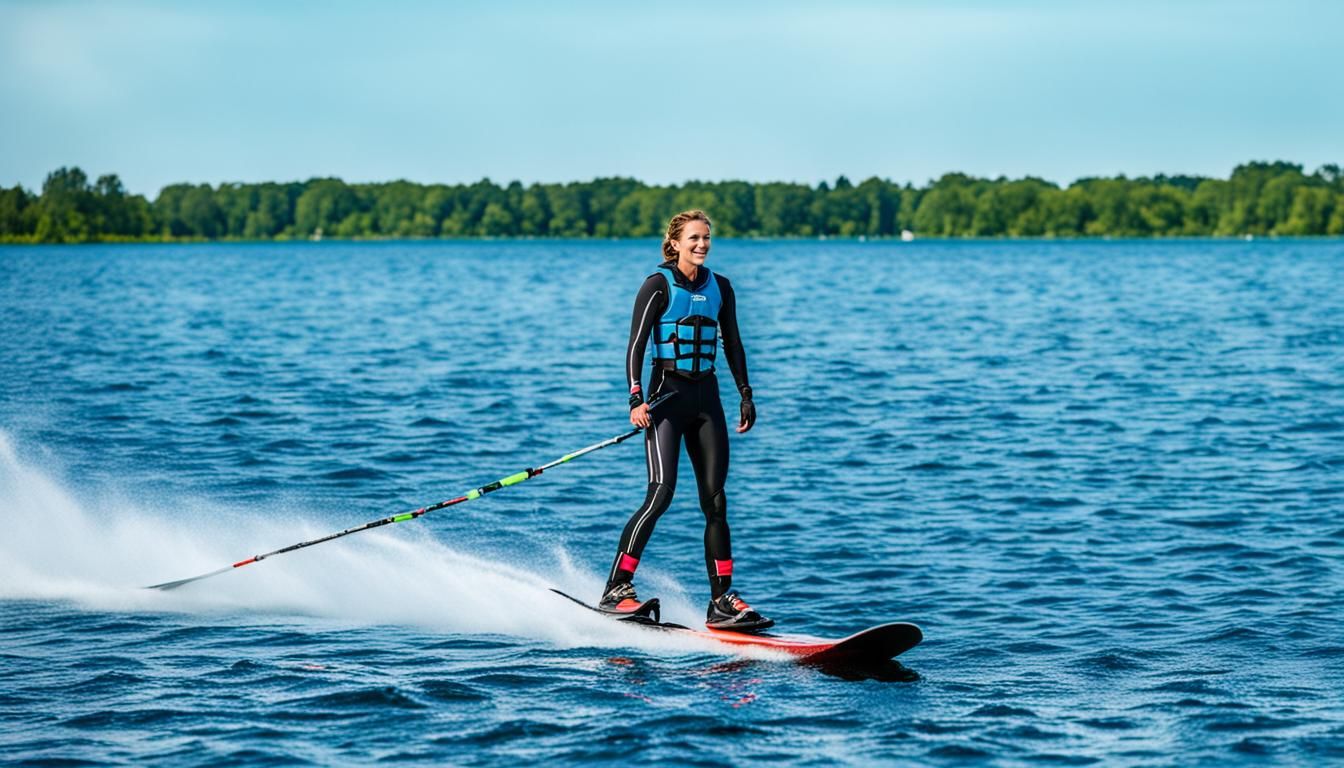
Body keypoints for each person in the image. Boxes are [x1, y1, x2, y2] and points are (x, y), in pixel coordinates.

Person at [598, 210, 771, 632]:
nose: (702, 244)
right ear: (675, 242)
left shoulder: (721, 287)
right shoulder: (658, 285)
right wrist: (635, 399)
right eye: (694, 237)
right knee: (661, 494)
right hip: (666, 401)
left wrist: (746, 395)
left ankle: (721, 601)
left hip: (707, 399)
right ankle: (617, 587)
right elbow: (636, 346)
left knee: (716, 501)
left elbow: (733, 343)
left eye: (707, 238)